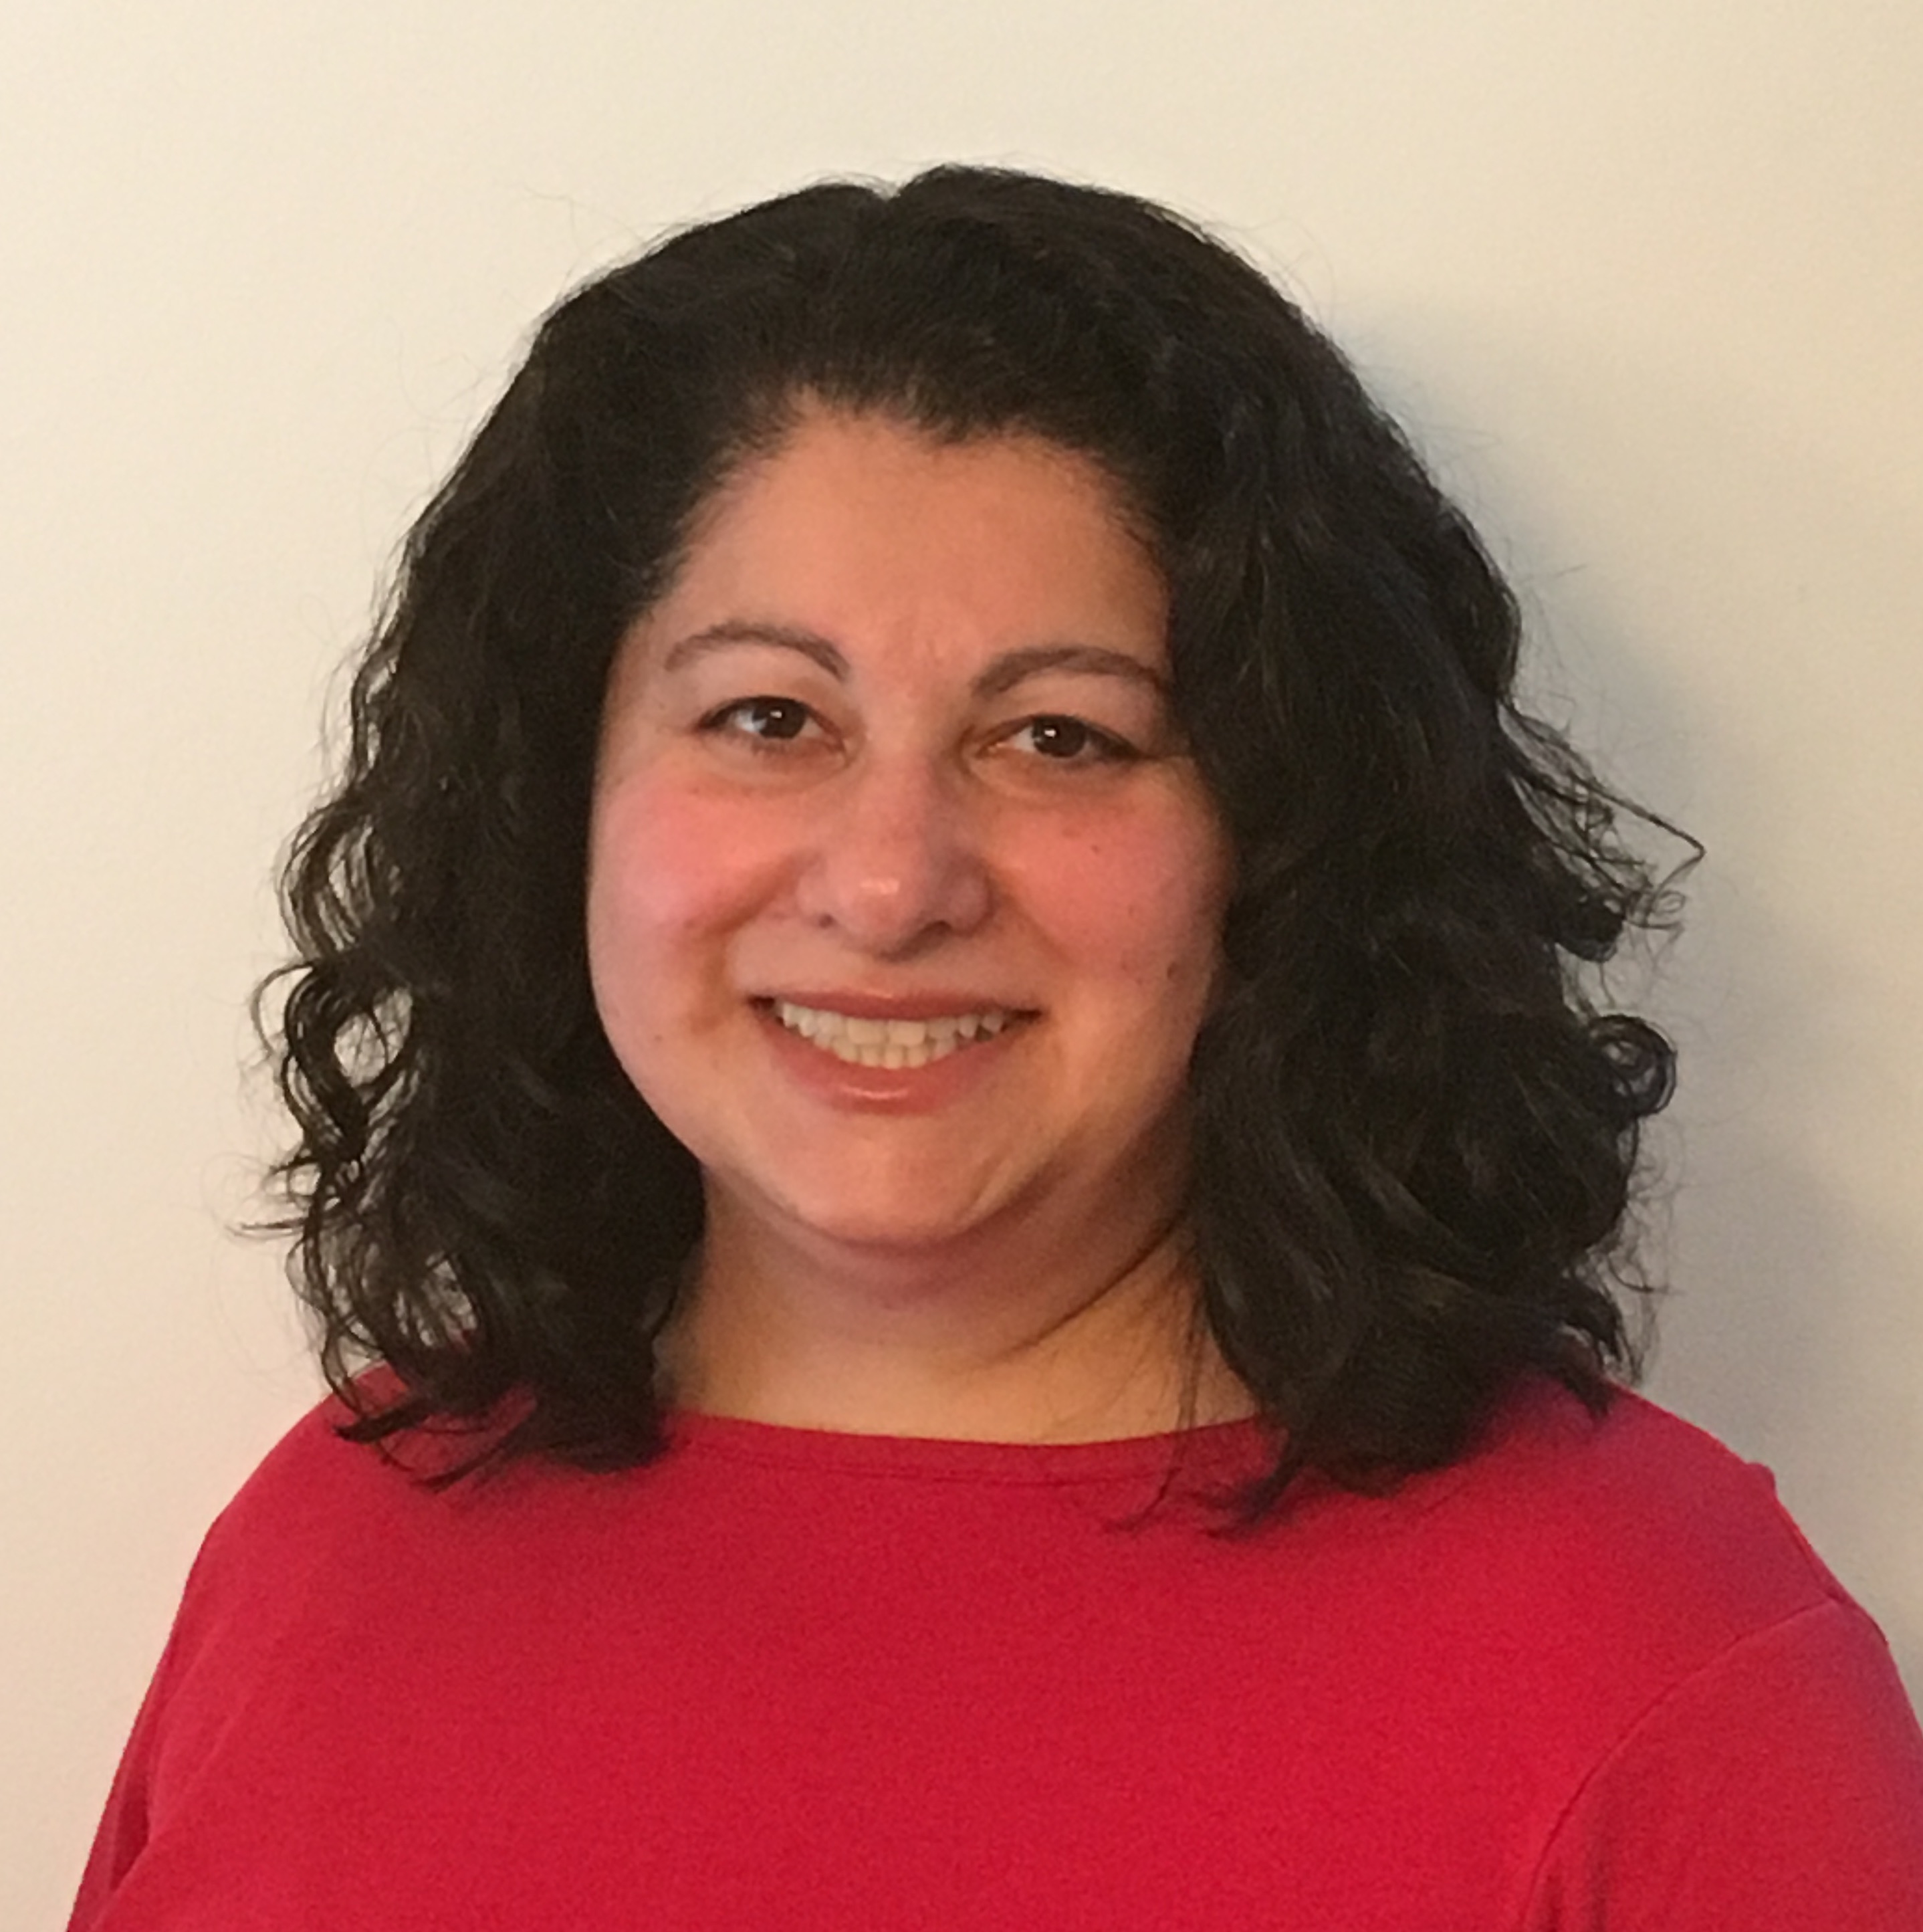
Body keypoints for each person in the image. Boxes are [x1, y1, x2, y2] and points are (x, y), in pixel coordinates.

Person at [70, 167, 1923, 1928]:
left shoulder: (1649, 1661)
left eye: (1060, 738)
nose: (889, 883)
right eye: (768, 715)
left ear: (1274, 842)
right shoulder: (335, 1548)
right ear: (565, 799)